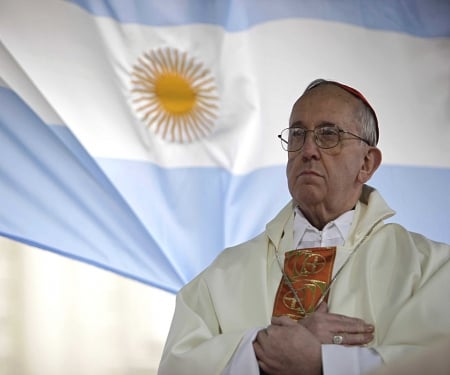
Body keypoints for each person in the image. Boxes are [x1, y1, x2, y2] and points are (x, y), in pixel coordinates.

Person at [158, 79, 450, 375]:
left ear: (366, 163)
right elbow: (177, 364)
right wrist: (259, 347)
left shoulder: (430, 268)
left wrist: (326, 363)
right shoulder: (225, 274)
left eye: (328, 135)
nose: (308, 150)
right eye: (298, 135)